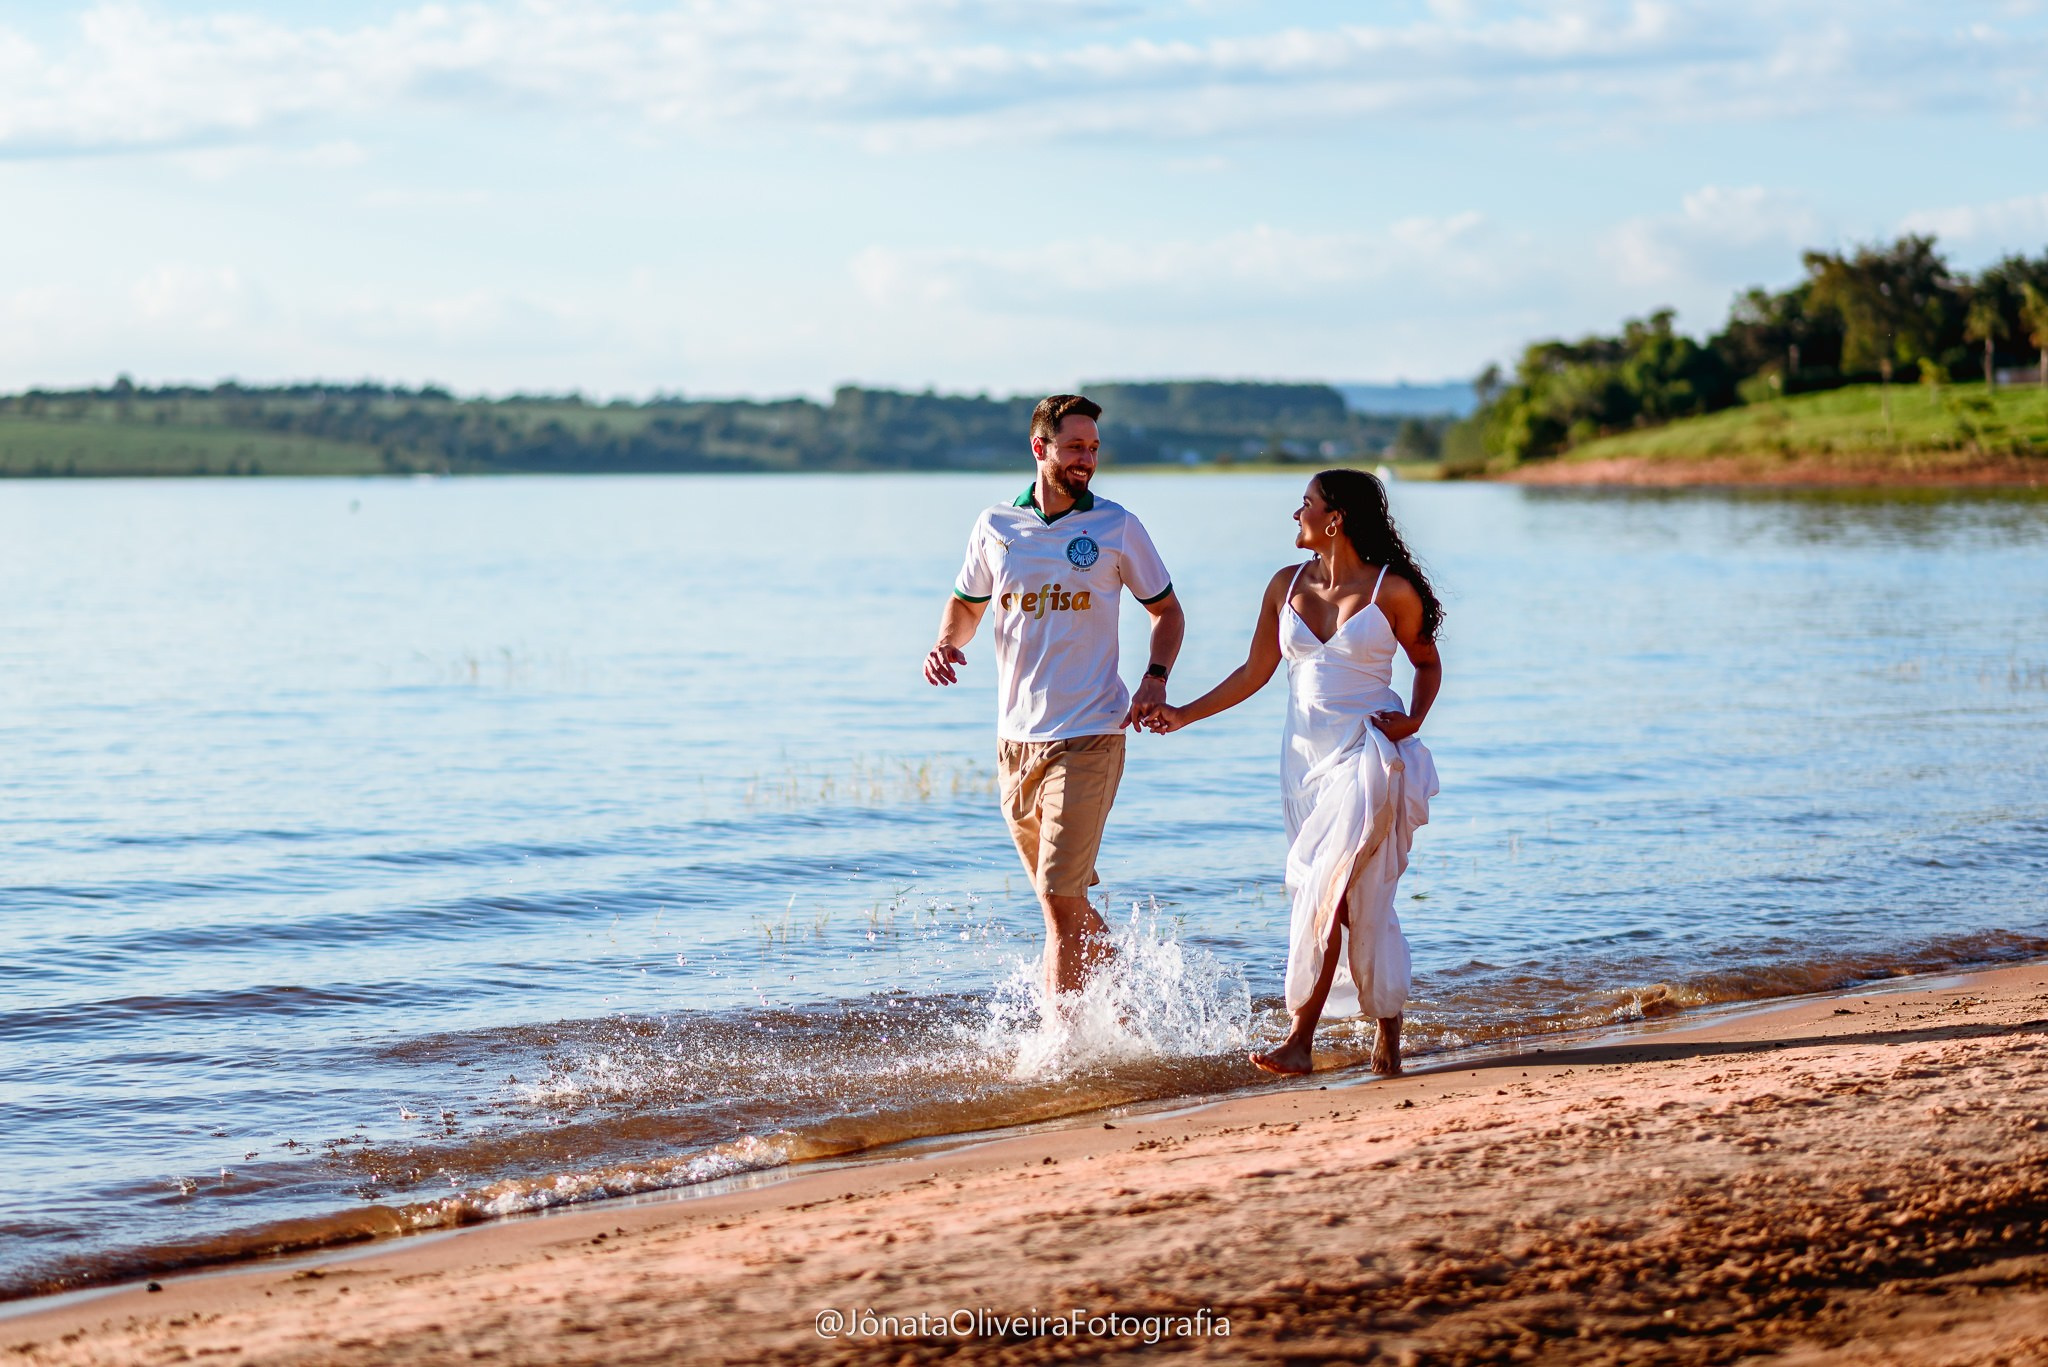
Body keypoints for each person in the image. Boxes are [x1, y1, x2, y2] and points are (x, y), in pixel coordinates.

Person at [1143, 469, 1441, 1076]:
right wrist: (1182, 715)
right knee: (1358, 900)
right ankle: (1387, 1041)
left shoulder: (1393, 590)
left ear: (1335, 519)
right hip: (1302, 764)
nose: (1295, 514)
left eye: (1305, 504)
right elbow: (1254, 672)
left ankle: (1300, 1041)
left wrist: (1412, 720)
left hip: (1368, 757)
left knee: (1326, 894)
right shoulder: (1285, 585)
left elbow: (1427, 663)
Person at [924, 394, 1185, 998]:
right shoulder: (995, 525)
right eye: (1075, 447)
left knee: (1057, 902)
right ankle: (1127, 1006)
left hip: (1092, 731)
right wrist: (945, 642)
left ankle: (1057, 1053)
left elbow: (1166, 611)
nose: (1087, 459)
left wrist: (1155, 677)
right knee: (1062, 903)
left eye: (1093, 448)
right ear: (1039, 448)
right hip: (1014, 742)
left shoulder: (1116, 525)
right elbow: (967, 604)